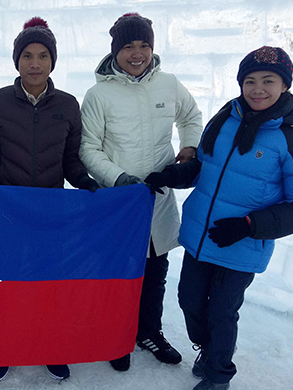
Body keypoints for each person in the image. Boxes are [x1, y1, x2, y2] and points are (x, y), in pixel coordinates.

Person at [143, 46, 293, 390]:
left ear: (284, 85)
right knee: (189, 300)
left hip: (243, 245)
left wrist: (248, 226)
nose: (258, 89)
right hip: (202, 235)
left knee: (222, 312)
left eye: (268, 81)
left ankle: (218, 374)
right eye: (250, 80)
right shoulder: (227, 118)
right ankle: (209, 349)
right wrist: (174, 176)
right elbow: (206, 167)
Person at [0, 17, 98, 381]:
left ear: (52, 61)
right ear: (17, 61)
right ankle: (3, 345)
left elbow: (71, 157)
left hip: (50, 211)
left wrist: (82, 180)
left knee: (48, 284)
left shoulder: (67, 105)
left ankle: (50, 346)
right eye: (27, 55)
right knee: (6, 280)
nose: (35, 63)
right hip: (7, 210)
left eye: (43, 56)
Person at [79, 12, 203, 371]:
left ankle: (149, 331)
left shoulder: (169, 84)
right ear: (115, 50)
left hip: (160, 196)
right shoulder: (99, 94)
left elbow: (191, 117)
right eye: (129, 46)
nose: (137, 54)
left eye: (144, 45)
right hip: (119, 201)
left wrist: (189, 148)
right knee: (118, 272)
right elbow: (89, 149)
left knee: (155, 269)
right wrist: (118, 179)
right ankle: (115, 335)